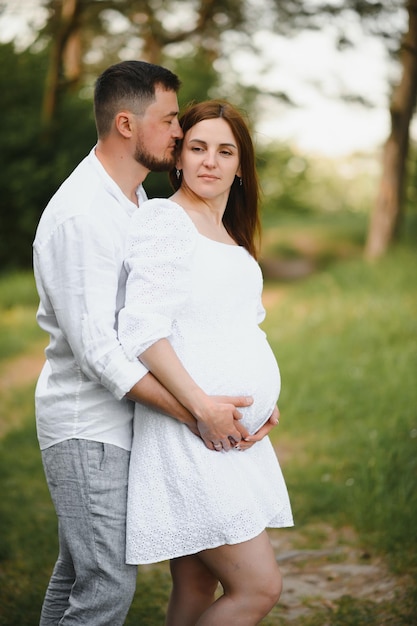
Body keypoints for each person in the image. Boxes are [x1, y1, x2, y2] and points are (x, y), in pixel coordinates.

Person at [33, 62, 275, 626]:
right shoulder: (82, 215)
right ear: (125, 123)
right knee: (104, 587)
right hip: (88, 426)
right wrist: (198, 413)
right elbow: (100, 351)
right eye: (170, 122)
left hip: (129, 424)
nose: (177, 134)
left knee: (78, 578)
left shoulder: (134, 201)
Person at [118, 100, 294, 626]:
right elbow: (142, 330)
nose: (210, 162)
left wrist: (267, 396)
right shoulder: (167, 221)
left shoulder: (230, 235)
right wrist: (201, 408)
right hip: (193, 434)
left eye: (225, 151)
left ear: (242, 166)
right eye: (197, 148)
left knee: (196, 585)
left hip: (229, 436)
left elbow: (235, 326)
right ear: (178, 158)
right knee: (259, 588)